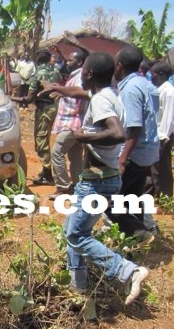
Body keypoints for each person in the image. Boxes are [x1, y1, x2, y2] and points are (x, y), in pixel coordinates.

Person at [64, 52, 149, 305]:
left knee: (77, 235)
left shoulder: (101, 100)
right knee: (71, 229)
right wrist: (58, 88)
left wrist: (83, 137)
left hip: (96, 182)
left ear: (88, 74)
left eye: (82, 71)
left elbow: (117, 133)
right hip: (103, 177)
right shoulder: (111, 95)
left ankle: (127, 271)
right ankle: (78, 288)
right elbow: (86, 97)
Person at [105, 46, 159, 242]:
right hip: (147, 151)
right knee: (132, 199)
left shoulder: (130, 89)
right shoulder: (146, 84)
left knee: (110, 201)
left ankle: (140, 233)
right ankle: (136, 240)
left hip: (134, 153)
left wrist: (122, 159)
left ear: (119, 66)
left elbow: (134, 127)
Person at [41, 50, 90, 200]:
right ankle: (77, 186)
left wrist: (58, 89)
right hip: (75, 123)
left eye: (70, 60)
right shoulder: (75, 76)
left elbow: (81, 93)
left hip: (73, 122)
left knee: (57, 152)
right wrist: (62, 92)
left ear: (80, 62)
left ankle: (63, 188)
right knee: (75, 157)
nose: (67, 63)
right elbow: (73, 93)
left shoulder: (80, 77)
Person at [11, 49, 61, 185]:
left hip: (44, 109)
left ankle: (48, 175)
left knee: (41, 141)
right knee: (45, 138)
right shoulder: (56, 71)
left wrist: (11, 97)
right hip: (55, 108)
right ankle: (46, 172)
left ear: (37, 60)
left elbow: (28, 99)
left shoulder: (37, 74)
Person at [149, 62, 174, 198]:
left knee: (162, 168)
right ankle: (158, 195)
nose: (151, 76)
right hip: (158, 135)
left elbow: (168, 117)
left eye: (153, 74)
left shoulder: (168, 92)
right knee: (155, 168)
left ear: (161, 74)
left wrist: (163, 138)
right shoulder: (160, 89)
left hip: (163, 136)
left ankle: (164, 197)